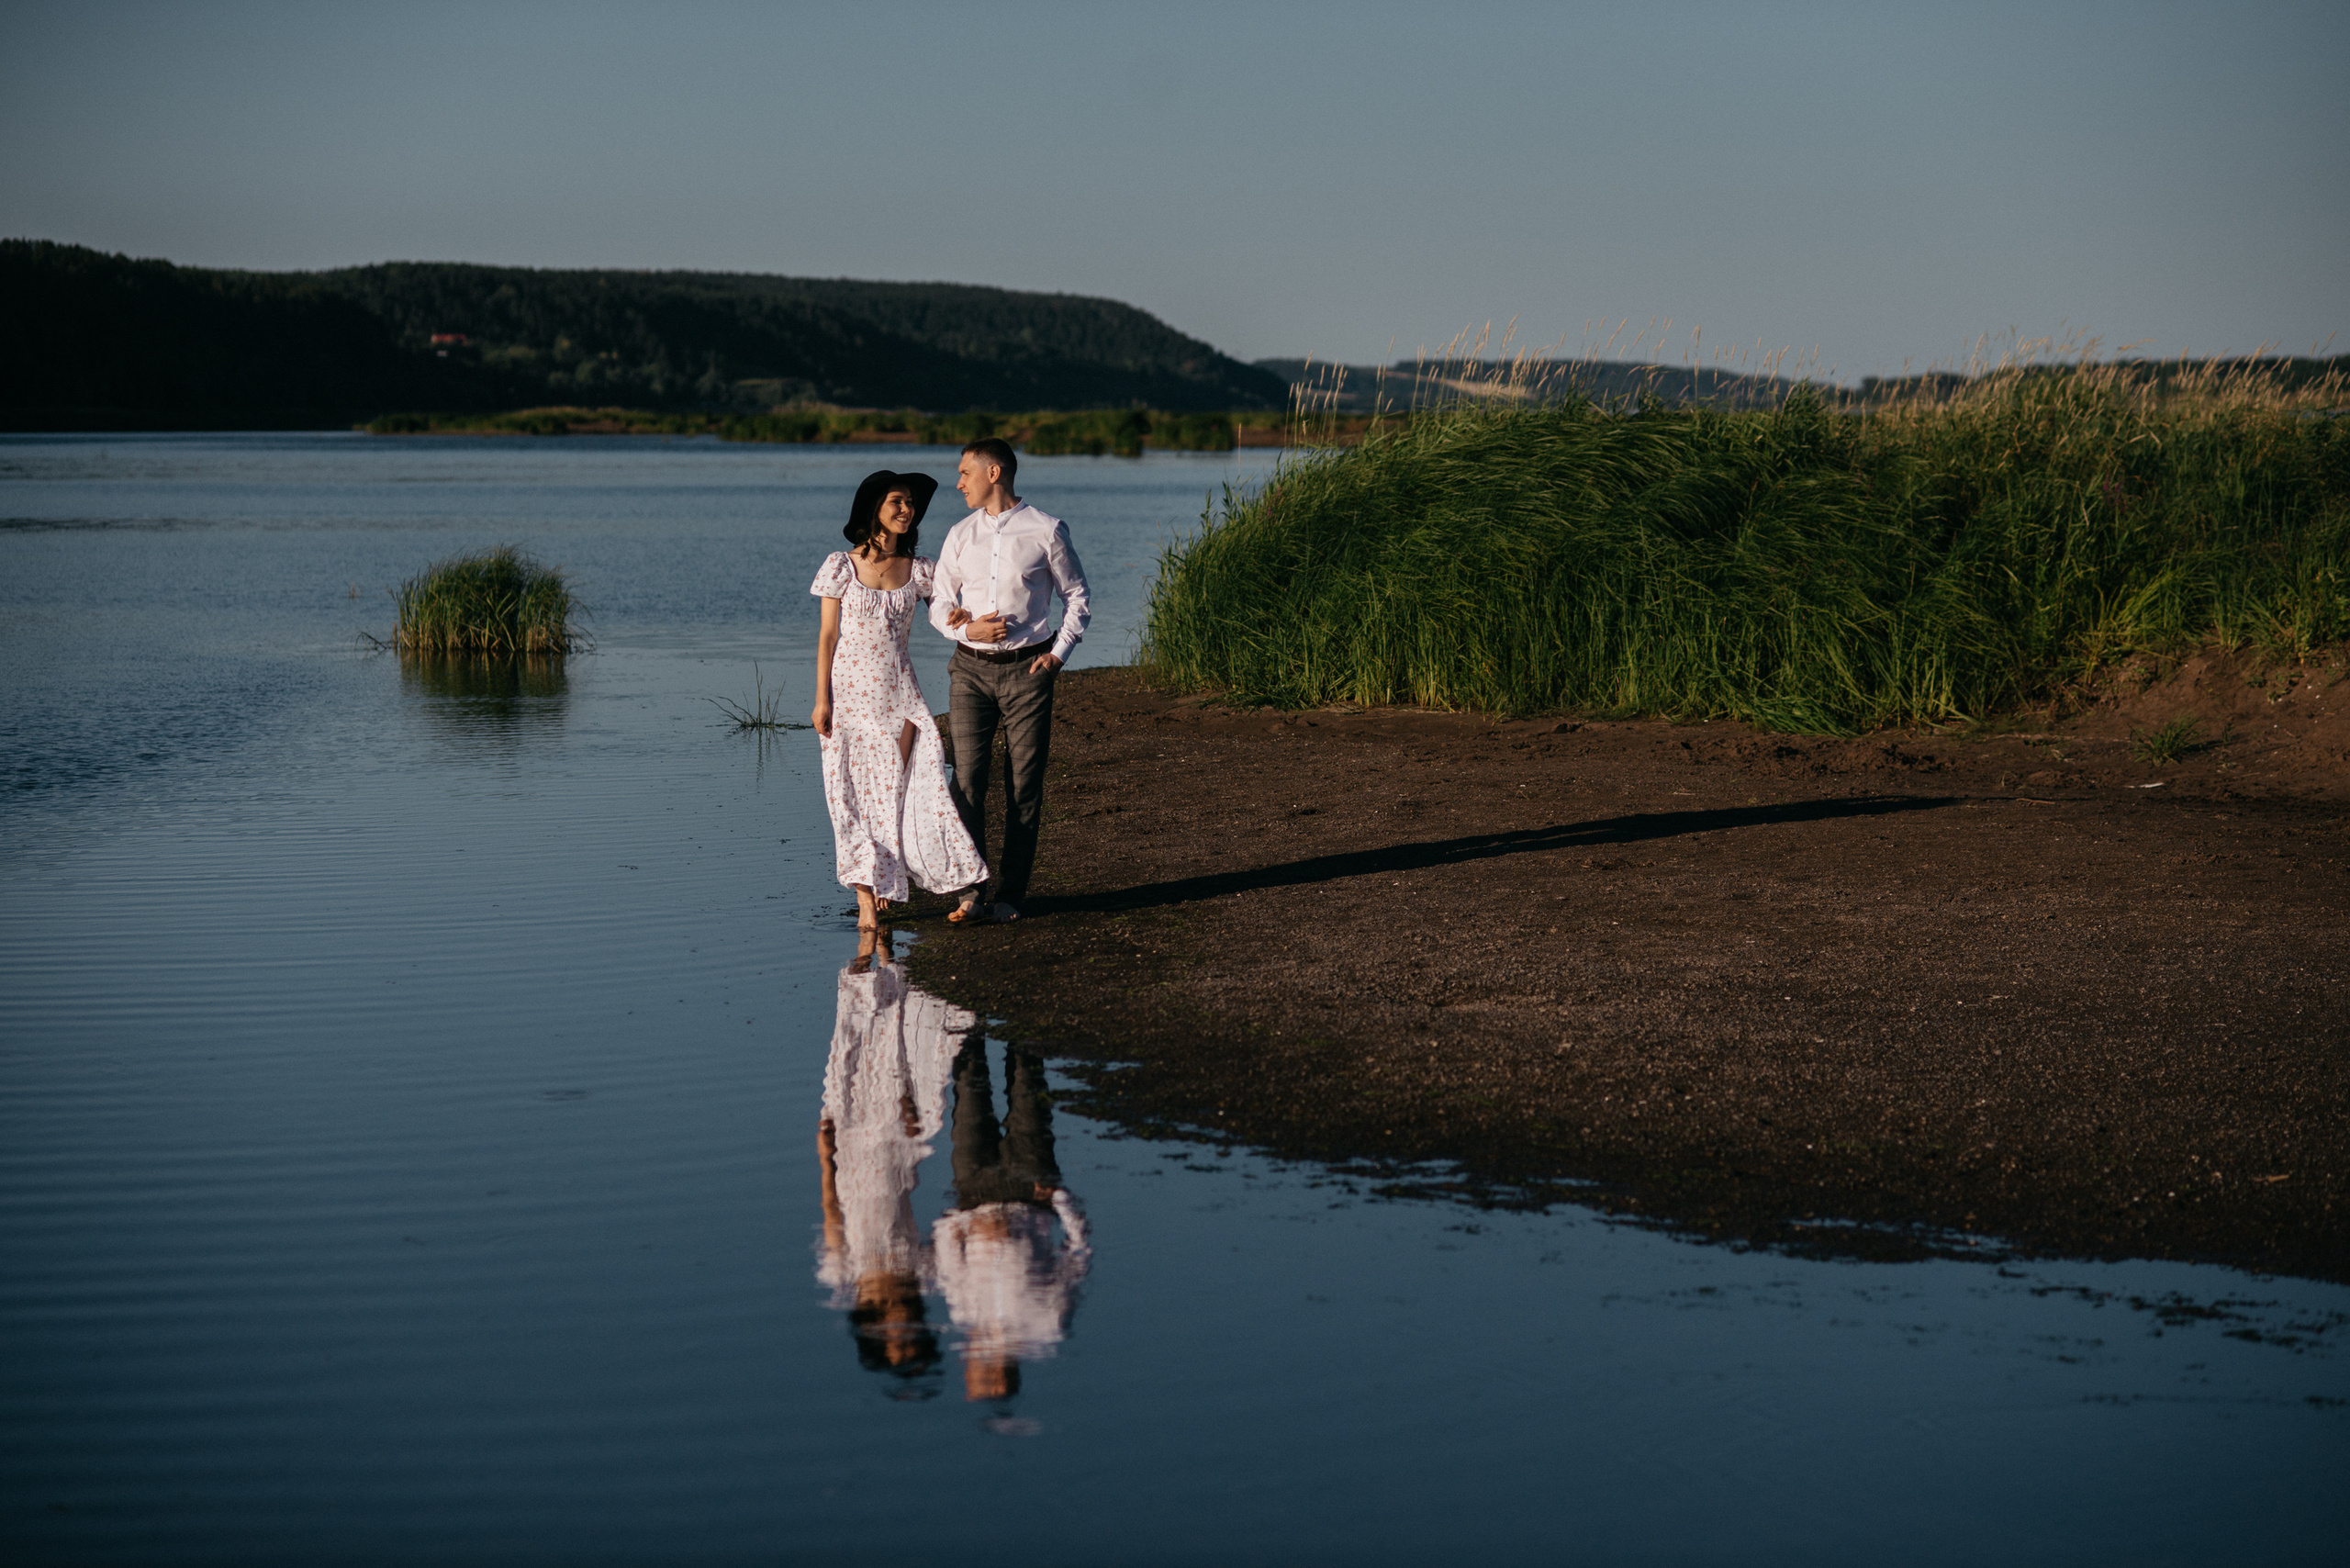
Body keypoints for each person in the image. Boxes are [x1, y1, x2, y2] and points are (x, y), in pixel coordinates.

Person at [811, 470, 989, 929]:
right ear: (875, 507)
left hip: (900, 695)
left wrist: (960, 614)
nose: (906, 509)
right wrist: (821, 700)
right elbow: (828, 636)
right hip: (849, 698)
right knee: (849, 795)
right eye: (897, 501)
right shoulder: (840, 566)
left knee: (901, 789)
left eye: (910, 503)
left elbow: (946, 610)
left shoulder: (921, 569)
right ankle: (868, 895)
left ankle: (895, 876)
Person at [928, 438, 1091, 924]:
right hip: (970, 671)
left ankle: (1011, 896)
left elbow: (1077, 597)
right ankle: (971, 892)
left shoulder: (1047, 530)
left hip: (1029, 671)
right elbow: (939, 601)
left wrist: (1058, 654)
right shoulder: (959, 534)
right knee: (966, 781)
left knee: (1024, 786)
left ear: (993, 473)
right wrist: (963, 626)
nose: (957, 483)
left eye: (964, 474)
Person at [814, 927, 972, 1397]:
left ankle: (871, 961)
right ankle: (892, 962)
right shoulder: (922, 1273)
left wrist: (826, 1160)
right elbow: (949, 1229)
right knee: (899, 1069)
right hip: (897, 1153)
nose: (904, 1331)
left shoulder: (844, 1276)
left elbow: (831, 1214)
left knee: (853, 1056)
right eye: (912, 1338)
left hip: (853, 1157)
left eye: (898, 1341)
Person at [932, 1036, 1090, 1403]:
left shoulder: (963, 1315)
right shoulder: (1048, 1326)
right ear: (992, 1372)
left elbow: (947, 1256)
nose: (966, 1361)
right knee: (1028, 1084)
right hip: (1029, 1189)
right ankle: (1022, 1015)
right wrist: (1058, 1199)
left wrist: (959, 1219)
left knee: (968, 1084)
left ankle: (971, 1015)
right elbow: (1078, 1256)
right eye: (974, 1371)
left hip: (974, 1191)